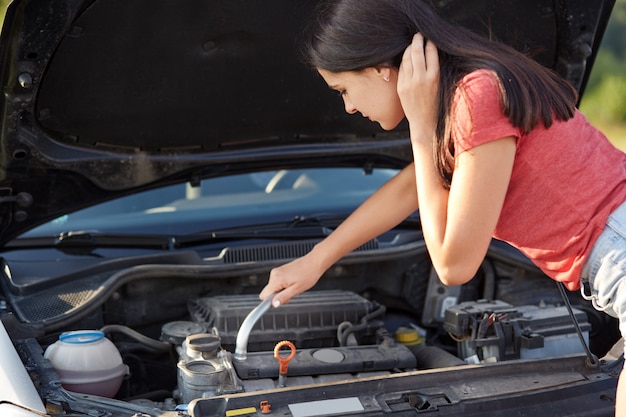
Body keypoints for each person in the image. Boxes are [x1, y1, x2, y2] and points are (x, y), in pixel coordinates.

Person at [258, 0, 626, 414]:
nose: (348, 108)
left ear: (380, 68)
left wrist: (419, 124)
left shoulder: (475, 95)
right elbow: (409, 188)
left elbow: (454, 266)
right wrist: (316, 260)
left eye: (343, 90)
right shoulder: (471, 88)